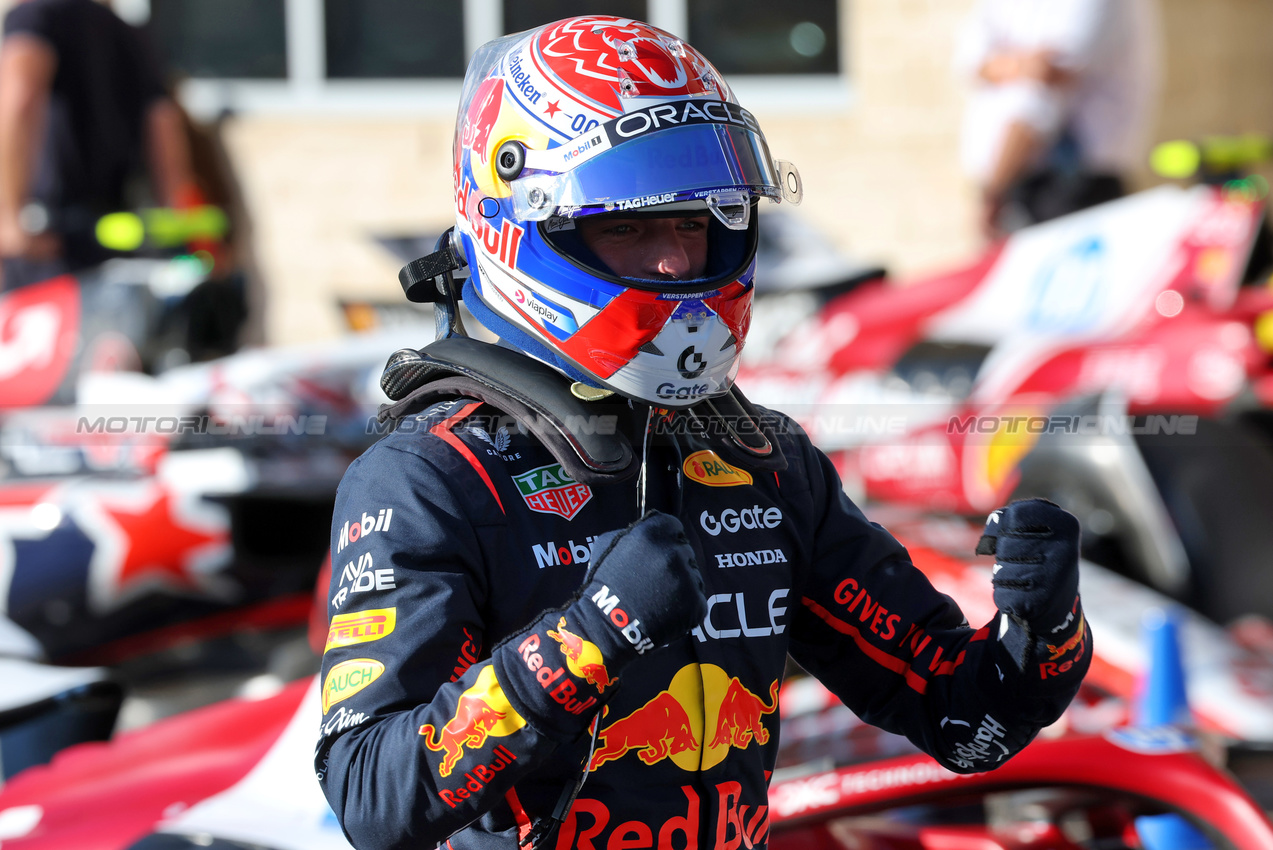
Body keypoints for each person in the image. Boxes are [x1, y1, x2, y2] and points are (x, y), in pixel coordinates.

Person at [316, 16, 1090, 850]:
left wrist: (1043, 631)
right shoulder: (432, 477)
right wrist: (590, 636)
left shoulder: (763, 458)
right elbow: (371, 796)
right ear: (522, 223)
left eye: (694, 223)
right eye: (629, 227)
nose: (676, 265)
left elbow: (966, 722)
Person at [0, 0, 200, 290]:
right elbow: (164, 128)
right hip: (116, 233)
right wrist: (176, 227)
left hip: (46, 239)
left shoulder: (36, 16)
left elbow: (19, 100)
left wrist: (8, 216)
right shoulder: (130, 32)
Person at [955, 0, 1161, 238]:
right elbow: (968, 61)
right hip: (1018, 186)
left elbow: (1041, 97)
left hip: (1074, 189)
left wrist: (992, 192)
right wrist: (1022, 66)